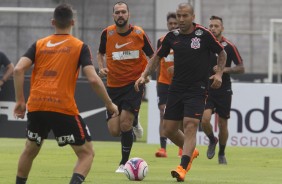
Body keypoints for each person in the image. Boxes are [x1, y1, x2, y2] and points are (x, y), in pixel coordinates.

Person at [13, 4, 118, 184]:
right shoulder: (79, 47)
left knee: (29, 150)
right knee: (86, 154)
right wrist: (109, 103)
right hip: (62, 107)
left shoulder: (39, 44)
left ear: (53, 22)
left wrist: (20, 101)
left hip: (37, 105)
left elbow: (17, 70)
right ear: (73, 22)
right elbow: (93, 79)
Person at [135, 3, 227, 182]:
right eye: (179, 16)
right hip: (176, 88)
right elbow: (156, 57)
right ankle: (191, 151)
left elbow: (221, 53)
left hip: (197, 88)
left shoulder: (204, 35)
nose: (181, 19)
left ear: (193, 17)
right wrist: (144, 75)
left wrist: (219, 74)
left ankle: (182, 167)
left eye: (185, 16)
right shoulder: (171, 37)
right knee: (169, 130)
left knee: (190, 124)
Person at [97, 1, 154, 173]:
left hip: (133, 85)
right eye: (117, 12)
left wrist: (144, 75)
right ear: (113, 15)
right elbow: (100, 53)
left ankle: (123, 163)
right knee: (114, 131)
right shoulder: (107, 33)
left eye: (123, 12)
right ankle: (135, 120)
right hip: (113, 86)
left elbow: (153, 56)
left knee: (125, 125)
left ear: (128, 14)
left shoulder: (138, 33)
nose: (120, 15)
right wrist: (101, 67)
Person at [201, 15, 244, 164]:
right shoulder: (205, 45)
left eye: (216, 26)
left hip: (223, 90)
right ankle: (212, 139)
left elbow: (241, 68)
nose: (213, 28)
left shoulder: (229, 46)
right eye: (210, 26)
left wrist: (223, 69)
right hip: (207, 89)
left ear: (222, 28)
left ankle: (222, 153)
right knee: (204, 120)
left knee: (223, 124)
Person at [155, 12, 184, 158]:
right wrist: (157, 82)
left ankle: (181, 146)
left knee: (182, 115)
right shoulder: (162, 41)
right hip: (164, 82)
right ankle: (163, 149)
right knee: (162, 112)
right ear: (167, 25)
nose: (173, 26)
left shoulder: (184, 40)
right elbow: (158, 61)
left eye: (175, 23)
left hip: (180, 82)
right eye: (170, 24)